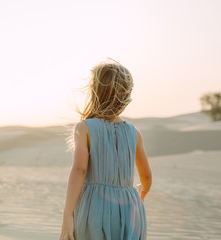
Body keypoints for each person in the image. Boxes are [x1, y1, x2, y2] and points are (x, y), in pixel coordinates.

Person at [60, 60, 152, 240]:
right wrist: (142, 192)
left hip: (94, 208)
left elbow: (80, 170)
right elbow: (146, 176)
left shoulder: (84, 128)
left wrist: (67, 215)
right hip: (130, 210)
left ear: (94, 93)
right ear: (126, 96)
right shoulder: (134, 133)